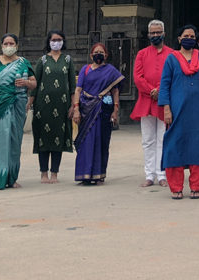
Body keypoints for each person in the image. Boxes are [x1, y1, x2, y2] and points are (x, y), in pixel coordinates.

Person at [158, 25, 199, 199]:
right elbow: (165, 85)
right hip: (177, 111)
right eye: (186, 35)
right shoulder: (171, 59)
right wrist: (166, 109)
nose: (189, 38)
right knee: (175, 147)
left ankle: (196, 187)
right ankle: (176, 187)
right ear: (179, 39)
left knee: (197, 147)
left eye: (192, 35)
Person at [0, 33, 36, 190]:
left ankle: (11, 177)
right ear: (2, 45)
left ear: (17, 46)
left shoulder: (24, 63)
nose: (9, 46)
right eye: (6, 43)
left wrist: (27, 83)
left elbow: (34, 83)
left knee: (14, 141)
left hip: (18, 104)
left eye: (12, 43)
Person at [73, 42, 124, 184]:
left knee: (101, 142)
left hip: (103, 111)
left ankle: (98, 174)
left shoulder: (111, 71)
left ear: (106, 55)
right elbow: (78, 89)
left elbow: (115, 91)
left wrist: (115, 110)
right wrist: (76, 108)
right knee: (85, 142)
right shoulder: (85, 69)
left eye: (101, 52)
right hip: (86, 109)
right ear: (91, 55)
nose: (98, 54)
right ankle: (84, 174)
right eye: (96, 52)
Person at [28, 30, 75, 184]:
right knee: (43, 138)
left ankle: (54, 173)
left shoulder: (67, 60)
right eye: (54, 40)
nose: (56, 42)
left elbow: (73, 86)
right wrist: (30, 101)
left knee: (58, 139)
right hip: (43, 106)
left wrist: (74, 105)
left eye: (59, 39)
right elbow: (36, 82)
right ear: (48, 41)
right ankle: (43, 173)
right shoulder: (42, 60)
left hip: (62, 105)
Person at [131, 18, 171, 187]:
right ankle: (149, 175)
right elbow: (137, 77)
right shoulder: (142, 54)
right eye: (152, 33)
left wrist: (160, 91)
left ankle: (162, 174)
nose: (155, 35)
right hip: (146, 101)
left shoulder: (172, 54)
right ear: (148, 35)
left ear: (164, 33)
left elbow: (172, 76)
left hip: (164, 102)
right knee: (148, 139)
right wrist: (151, 90)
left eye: (158, 32)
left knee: (163, 138)